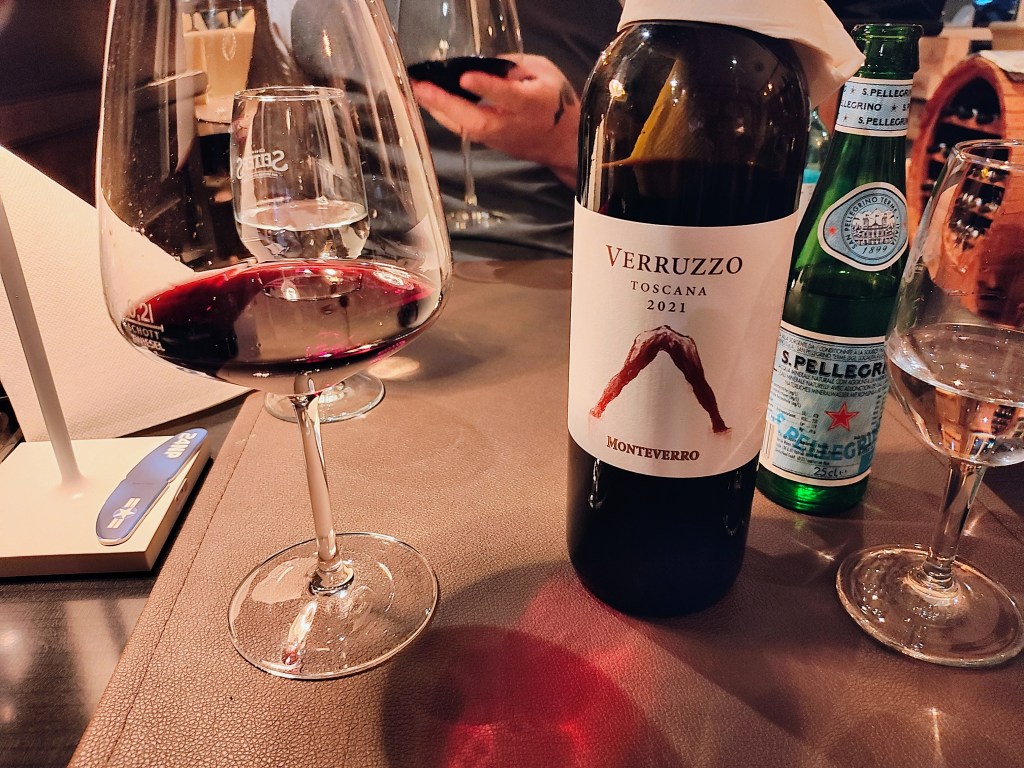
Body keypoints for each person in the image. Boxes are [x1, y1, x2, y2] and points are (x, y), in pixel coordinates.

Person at [400, 0, 623, 259]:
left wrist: (567, 142)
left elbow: (652, 188)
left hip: (548, 256)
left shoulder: (620, 18)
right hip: (390, 253)